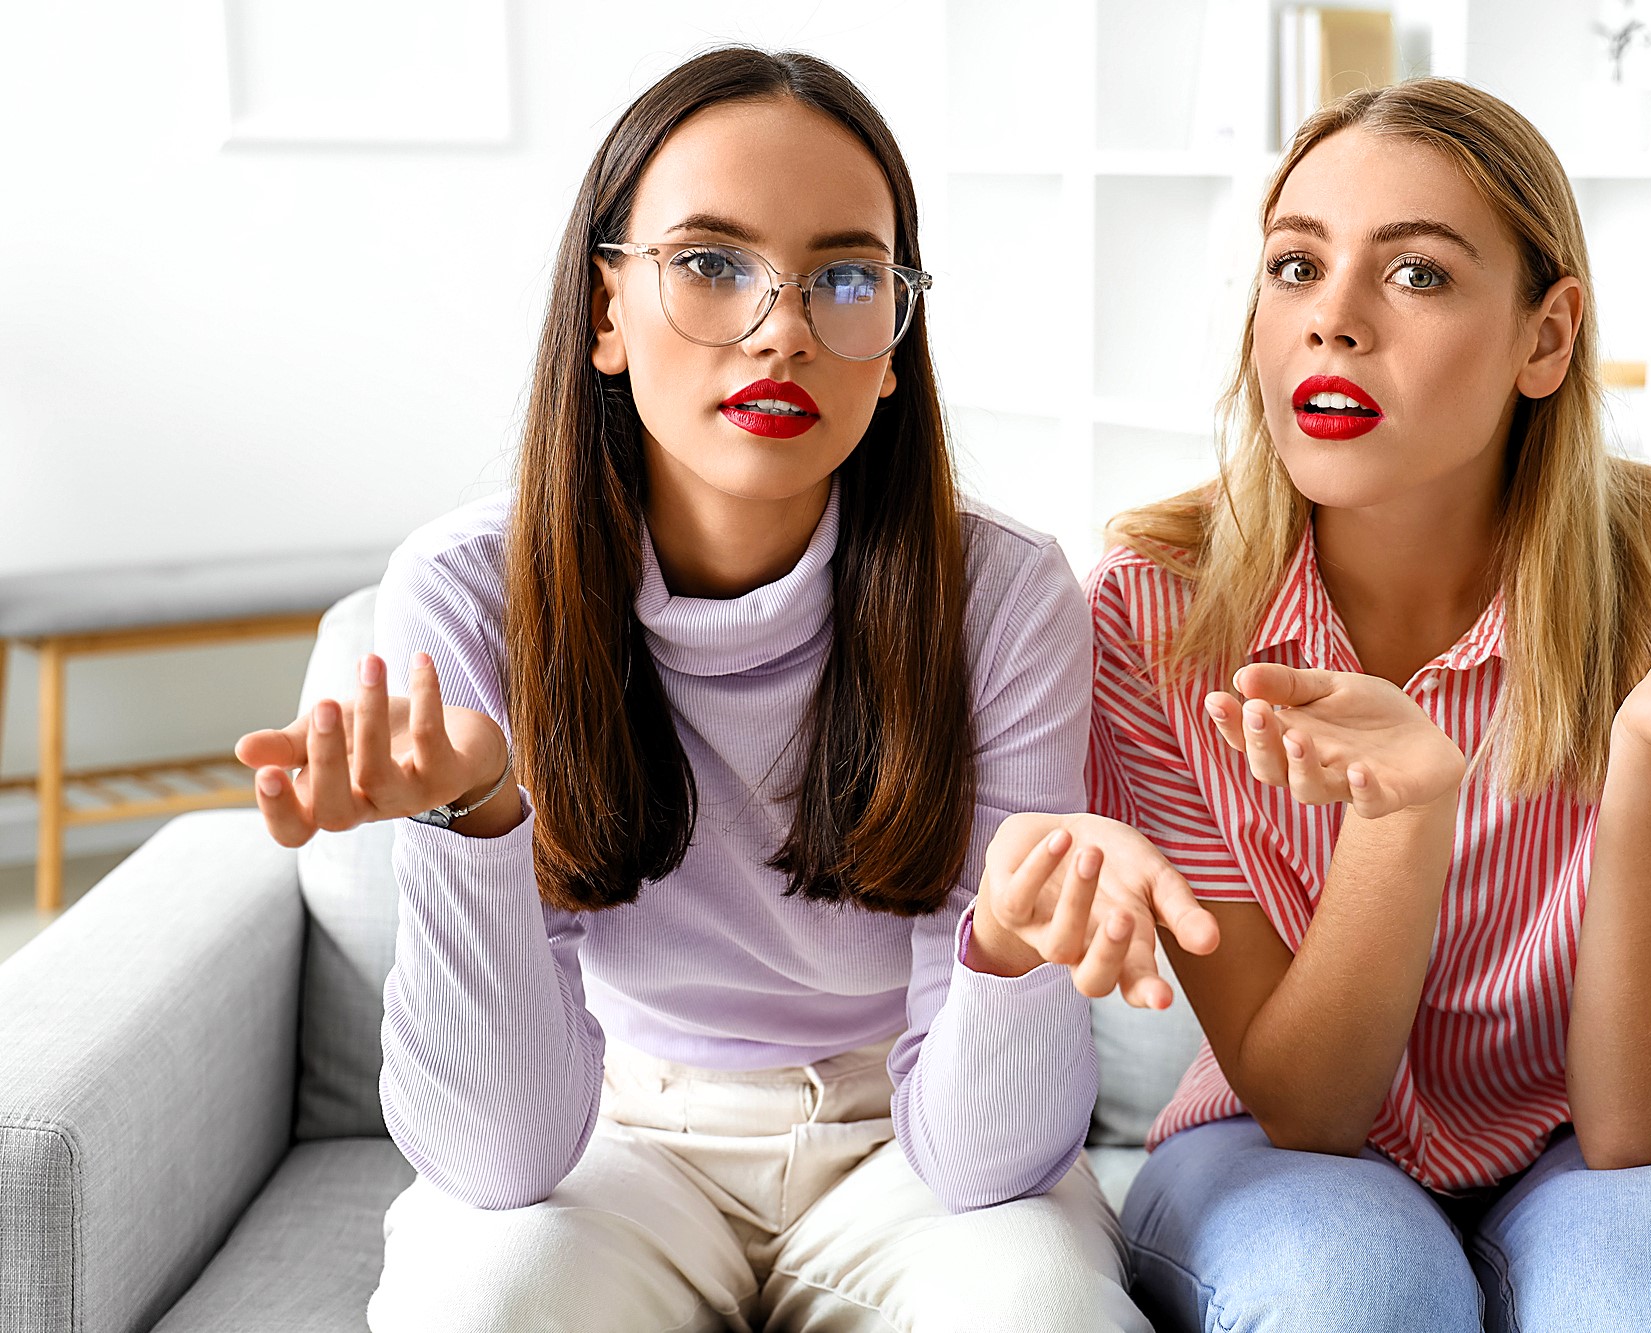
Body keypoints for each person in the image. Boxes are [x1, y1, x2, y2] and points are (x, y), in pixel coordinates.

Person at [236, 46, 1215, 1333]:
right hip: (615, 1129)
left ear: (895, 336)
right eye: (710, 264)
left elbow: (985, 1162)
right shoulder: (470, 592)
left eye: (845, 277)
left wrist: (1006, 946)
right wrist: (475, 817)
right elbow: (496, 1160)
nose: (782, 327)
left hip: (906, 1138)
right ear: (602, 312)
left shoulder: (1003, 592)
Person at [1087, 77, 1651, 1333]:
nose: (1331, 322)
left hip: (1598, 1143)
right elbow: (1309, 1108)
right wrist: (1399, 823)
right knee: (1350, 1300)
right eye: (1294, 265)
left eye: (1414, 276)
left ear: (1545, 337)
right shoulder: (1155, 606)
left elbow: (1636, 1125)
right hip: (1282, 1139)